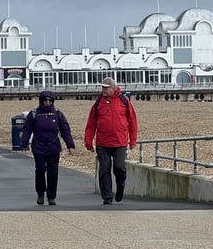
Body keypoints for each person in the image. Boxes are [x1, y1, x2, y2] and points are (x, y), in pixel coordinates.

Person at [84, 77, 138, 205]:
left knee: (119, 168)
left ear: (113, 88)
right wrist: (88, 141)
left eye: (106, 88)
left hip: (119, 142)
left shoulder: (124, 101)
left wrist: (133, 140)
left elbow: (133, 121)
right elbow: (91, 124)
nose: (103, 90)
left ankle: (120, 186)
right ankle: (107, 197)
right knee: (104, 169)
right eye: (102, 87)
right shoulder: (98, 103)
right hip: (103, 143)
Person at [20, 90, 75, 206]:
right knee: (40, 170)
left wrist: (70, 145)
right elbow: (27, 129)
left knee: (53, 172)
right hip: (38, 147)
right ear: (41, 101)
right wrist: (24, 143)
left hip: (54, 147)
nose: (47, 102)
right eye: (45, 100)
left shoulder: (58, 114)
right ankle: (40, 193)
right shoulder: (34, 114)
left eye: (50, 100)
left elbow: (65, 130)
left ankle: (51, 196)